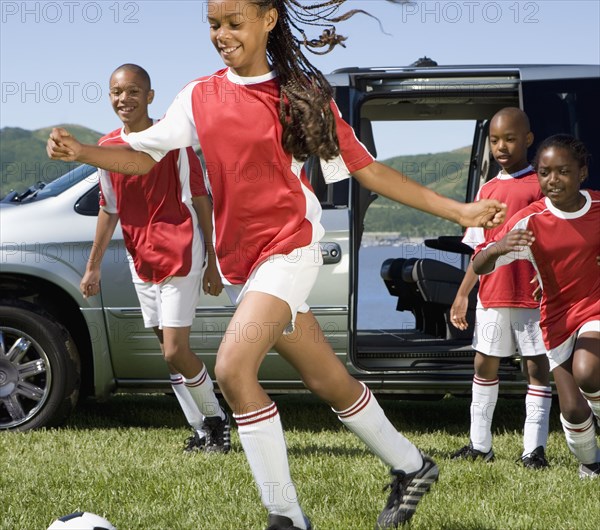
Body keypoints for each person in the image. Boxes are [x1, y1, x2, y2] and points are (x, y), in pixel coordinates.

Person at [47, 2, 508, 527]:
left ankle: (285, 516)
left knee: (232, 368)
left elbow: (366, 170)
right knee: (327, 379)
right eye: (214, 25)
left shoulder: (300, 96)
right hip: (244, 266)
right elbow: (142, 157)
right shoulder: (198, 96)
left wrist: (461, 210)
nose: (222, 35)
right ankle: (413, 466)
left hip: (291, 247)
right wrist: (84, 151)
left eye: (234, 22)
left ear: (268, 19)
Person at [81, 63, 229, 454]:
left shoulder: (174, 140)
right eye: (116, 92)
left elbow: (202, 202)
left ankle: (217, 421)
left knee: (174, 350)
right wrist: (93, 265)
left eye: (133, 91)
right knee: (168, 352)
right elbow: (108, 209)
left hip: (180, 249)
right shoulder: (107, 146)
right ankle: (201, 430)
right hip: (139, 256)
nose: (123, 99)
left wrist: (213, 261)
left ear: (149, 96)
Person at [472, 134, 599, 479]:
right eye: (545, 173)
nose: (553, 181)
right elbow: (480, 264)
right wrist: (498, 249)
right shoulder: (531, 219)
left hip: (595, 309)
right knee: (572, 410)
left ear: (583, 173)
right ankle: (591, 463)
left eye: (563, 172)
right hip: (556, 319)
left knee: (588, 370)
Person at [450, 108, 552, 468]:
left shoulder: (542, 185)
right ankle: (480, 446)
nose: (501, 146)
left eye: (510, 138)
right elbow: (479, 249)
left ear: (527, 139)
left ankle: (533, 450)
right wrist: (463, 293)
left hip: (532, 297)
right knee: (483, 364)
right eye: (494, 140)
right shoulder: (488, 189)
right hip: (492, 295)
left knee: (536, 367)